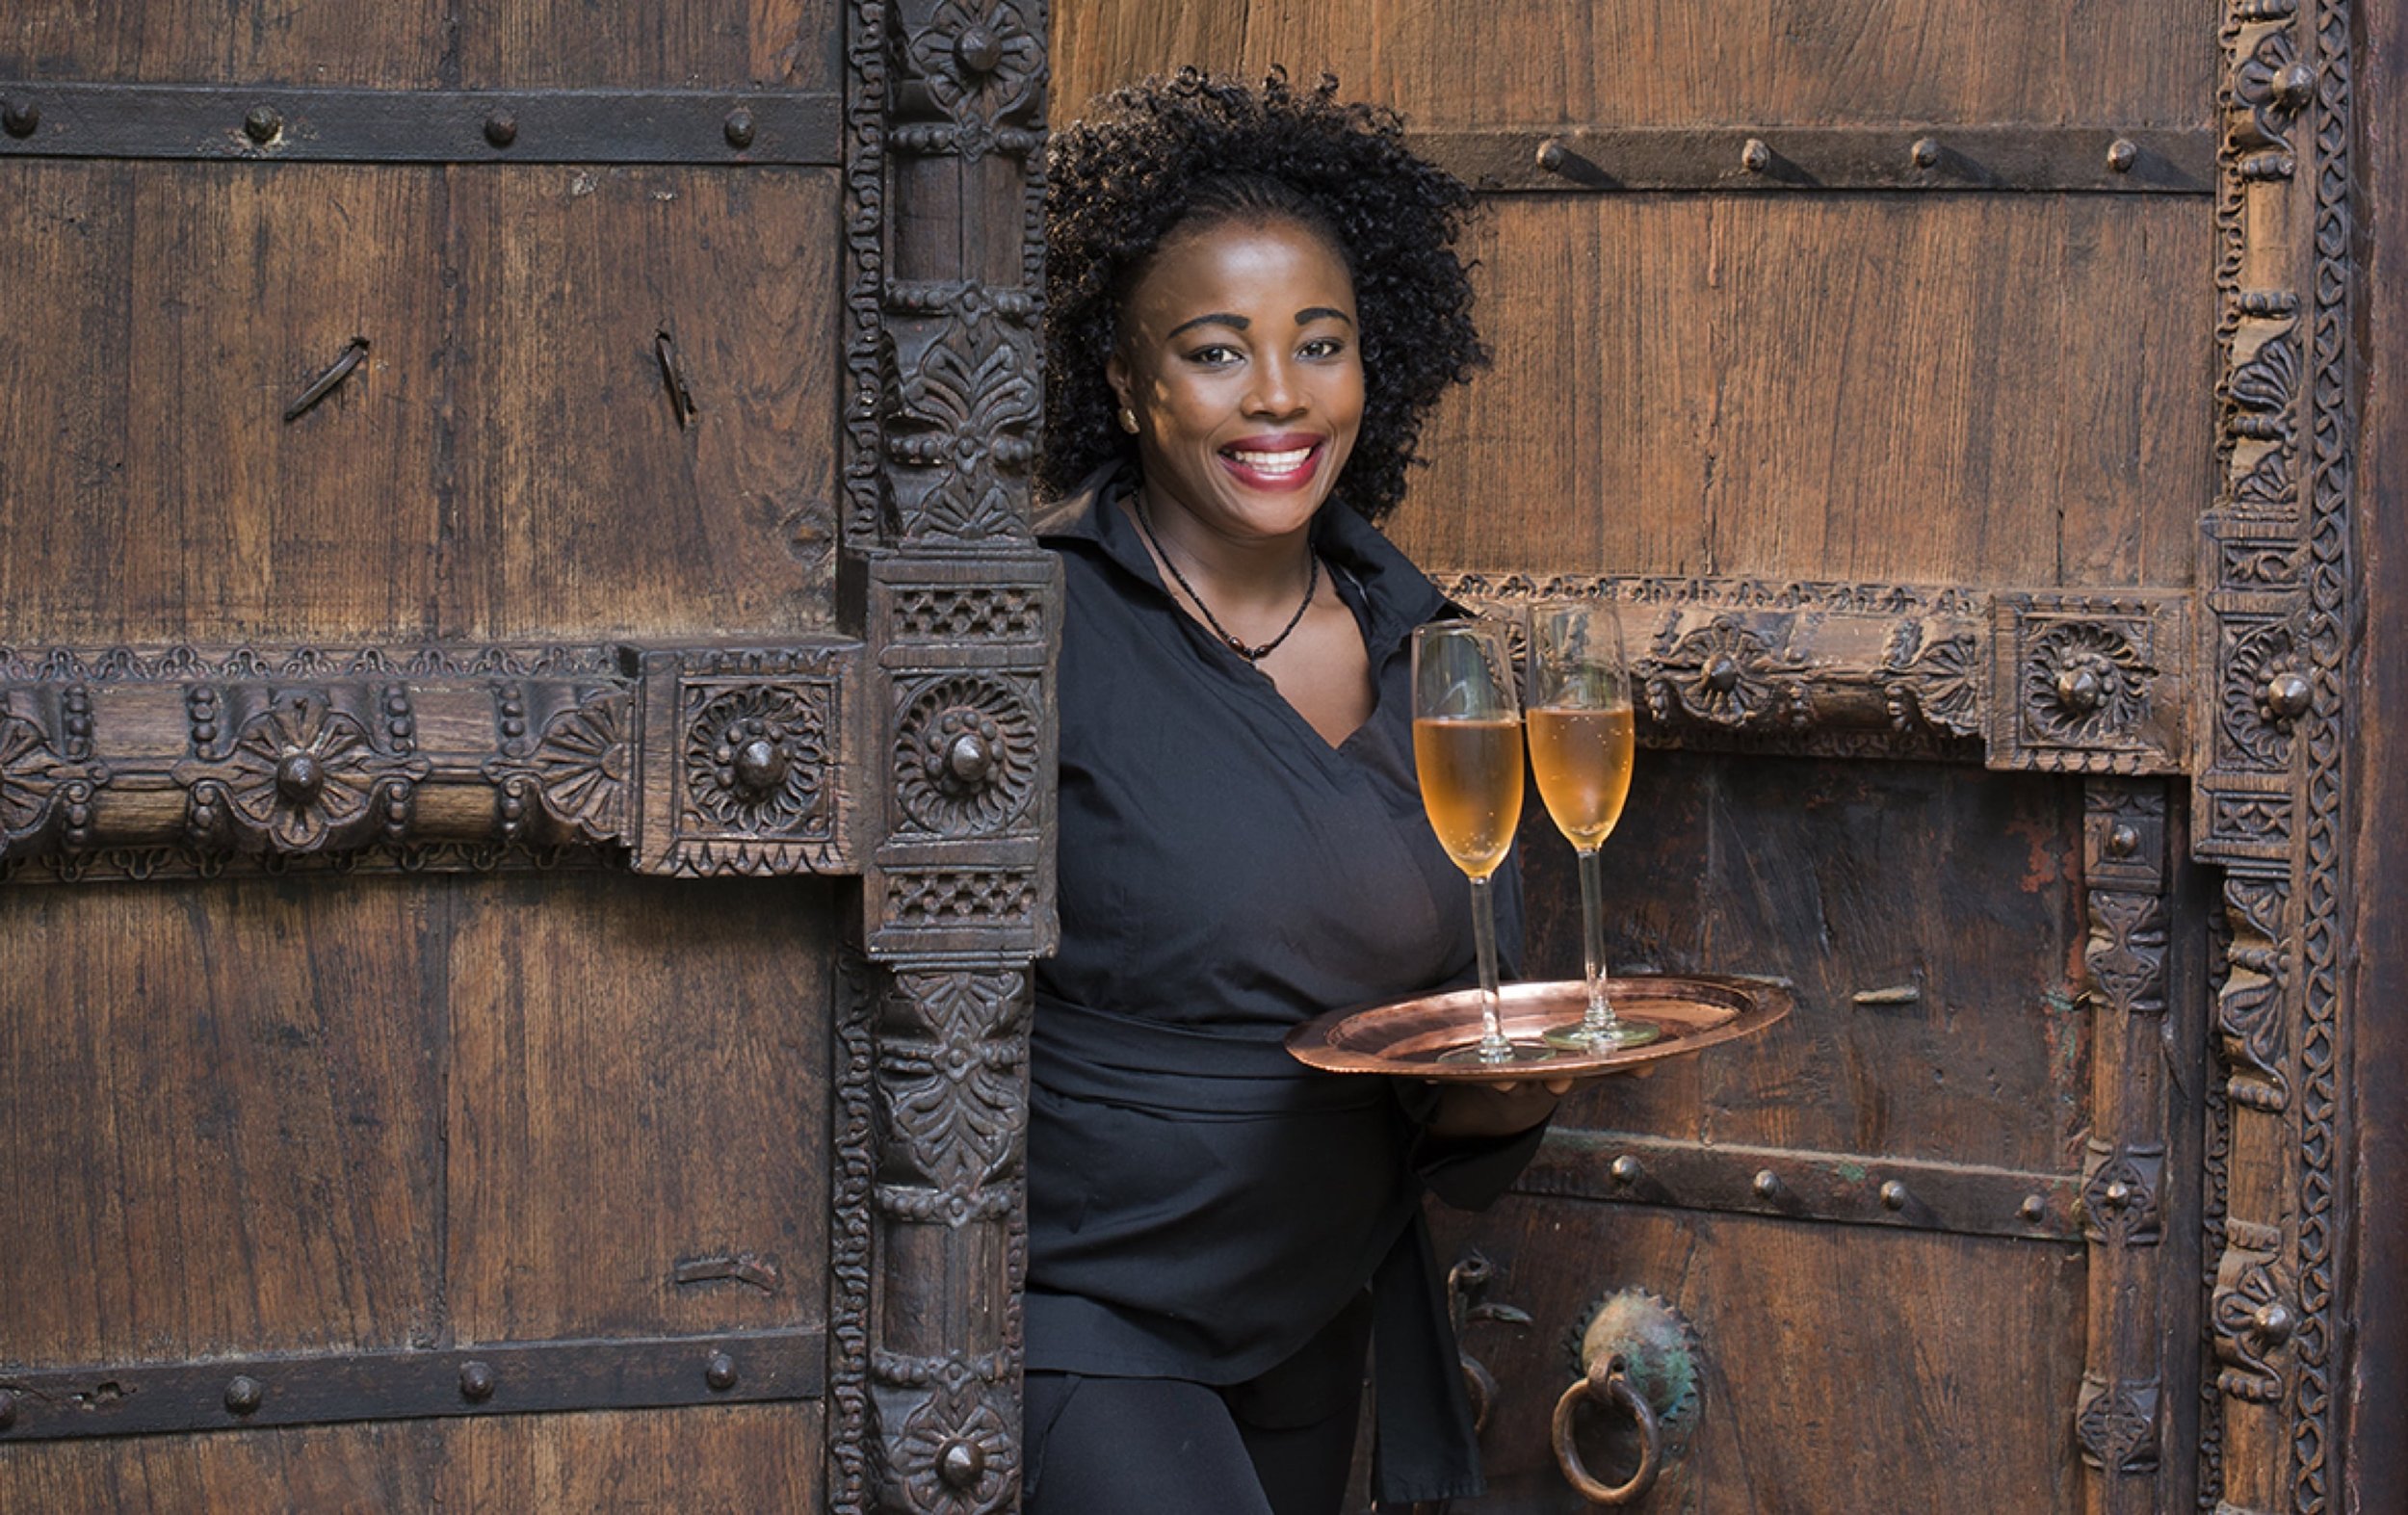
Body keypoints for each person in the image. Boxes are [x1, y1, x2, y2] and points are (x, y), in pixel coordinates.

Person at [1029, 69, 1562, 1515]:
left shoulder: (1432, 647)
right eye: (1216, 352)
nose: (1278, 394)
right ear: (1128, 384)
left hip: (1317, 1307)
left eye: (1319, 344)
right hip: (1086, 1301)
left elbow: (1468, 1030)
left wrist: (1512, 1090)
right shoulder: (1036, 628)